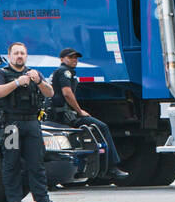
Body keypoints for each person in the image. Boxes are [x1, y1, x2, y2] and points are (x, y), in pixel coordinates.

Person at [0, 41, 56, 202]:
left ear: (26, 56)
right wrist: (17, 83)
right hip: (11, 124)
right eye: (16, 53)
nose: (19, 56)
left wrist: (39, 81)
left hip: (32, 122)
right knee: (11, 163)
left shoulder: (34, 73)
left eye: (22, 53)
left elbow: (50, 92)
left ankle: (42, 198)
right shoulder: (2, 73)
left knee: (37, 162)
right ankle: (14, 200)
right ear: (10, 55)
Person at [49, 48, 127, 181]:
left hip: (59, 115)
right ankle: (111, 167)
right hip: (64, 117)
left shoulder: (63, 72)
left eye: (76, 57)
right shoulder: (64, 72)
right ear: (62, 59)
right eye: (70, 57)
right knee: (101, 127)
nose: (74, 60)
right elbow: (67, 93)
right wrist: (79, 112)